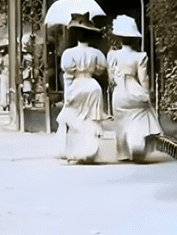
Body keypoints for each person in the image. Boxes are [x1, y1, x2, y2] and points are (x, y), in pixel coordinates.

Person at [107, 15, 161, 161]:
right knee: (141, 115)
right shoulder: (140, 57)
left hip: (119, 94)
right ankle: (137, 142)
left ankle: (123, 152)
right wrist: (147, 93)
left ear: (120, 38)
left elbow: (111, 79)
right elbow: (144, 79)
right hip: (134, 90)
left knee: (121, 122)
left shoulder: (112, 55)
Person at [55, 13, 108, 163]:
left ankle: (76, 150)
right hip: (92, 86)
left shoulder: (69, 54)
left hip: (77, 85)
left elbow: (68, 73)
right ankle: (91, 150)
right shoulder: (96, 53)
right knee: (91, 118)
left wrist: (67, 95)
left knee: (75, 119)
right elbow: (100, 70)